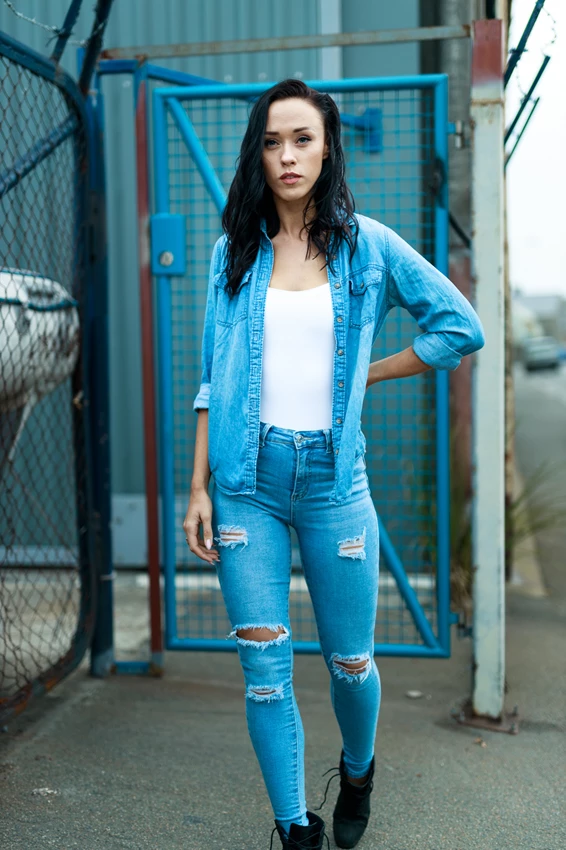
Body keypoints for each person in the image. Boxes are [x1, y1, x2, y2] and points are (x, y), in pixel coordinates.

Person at [183, 78, 485, 850]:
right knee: (263, 668)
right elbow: (215, 376)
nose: (288, 156)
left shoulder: (369, 246)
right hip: (246, 483)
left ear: (327, 148)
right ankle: (294, 829)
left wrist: (369, 373)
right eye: (273, 141)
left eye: (303, 140)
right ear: (258, 151)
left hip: (331, 485)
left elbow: (460, 327)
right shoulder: (234, 250)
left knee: (351, 663)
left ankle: (358, 770)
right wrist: (198, 488)